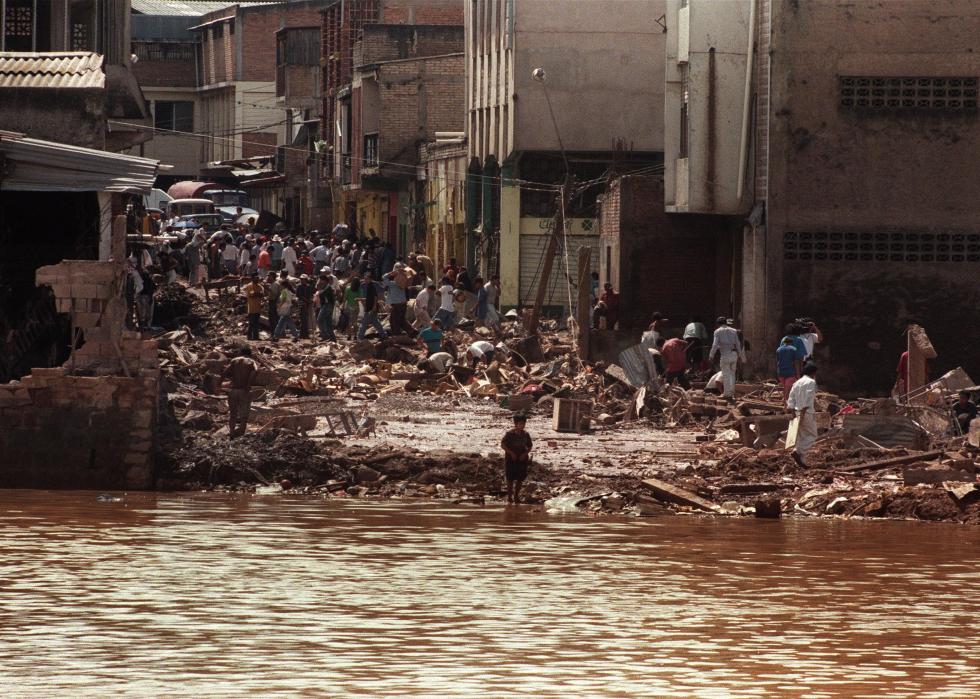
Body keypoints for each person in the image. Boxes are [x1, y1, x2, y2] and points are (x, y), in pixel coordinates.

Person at [787, 362, 818, 467]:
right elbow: (808, 397)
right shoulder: (811, 382)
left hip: (796, 412)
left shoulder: (797, 383)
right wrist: (804, 410)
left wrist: (792, 411)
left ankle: (802, 461)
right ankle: (798, 451)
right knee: (813, 435)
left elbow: (791, 398)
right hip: (807, 412)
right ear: (813, 373)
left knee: (801, 436)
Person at [708, 316, 745, 401]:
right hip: (734, 354)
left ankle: (727, 394)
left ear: (718, 324)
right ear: (725, 322)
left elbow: (715, 345)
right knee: (732, 374)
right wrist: (740, 356)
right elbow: (738, 344)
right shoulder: (734, 330)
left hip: (725, 355)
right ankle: (732, 393)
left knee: (726, 375)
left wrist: (711, 356)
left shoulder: (717, 331)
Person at [223, 347, 258, 438]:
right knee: (244, 415)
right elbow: (255, 371)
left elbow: (225, 372)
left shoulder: (234, 360)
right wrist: (249, 384)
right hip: (244, 391)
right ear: (249, 354)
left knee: (233, 414)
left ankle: (231, 432)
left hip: (233, 390)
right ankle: (241, 433)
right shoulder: (252, 362)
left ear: (241, 353)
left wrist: (219, 384)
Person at [501, 413, 533, 504]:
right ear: (516, 424)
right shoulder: (509, 434)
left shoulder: (526, 434)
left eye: (523, 424)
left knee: (520, 479)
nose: (522, 426)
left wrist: (524, 454)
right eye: (520, 424)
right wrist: (511, 453)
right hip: (511, 459)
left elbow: (530, 446)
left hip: (522, 460)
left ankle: (516, 496)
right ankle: (509, 497)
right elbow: (503, 445)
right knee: (510, 479)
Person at [384, 263, 413, 336]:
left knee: (394, 321)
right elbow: (409, 276)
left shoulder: (393, 284)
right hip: (403, 304)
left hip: (397, 305)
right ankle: (411, 331)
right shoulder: (403, 282)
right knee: (401, 320)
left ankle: (397, 335)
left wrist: (391, 273)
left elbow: (384, 277)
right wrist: (403, 271)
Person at [357, 273, 388, 340]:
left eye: (366, 279)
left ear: (370, 279)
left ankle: (359, 337)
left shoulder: (372, 286)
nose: (365, 280)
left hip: (371, 307)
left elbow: (375, 297)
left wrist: (374, 306)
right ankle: (383, 334)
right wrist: (361, 300)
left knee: (364, 323)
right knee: (375, 322)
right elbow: (368, 297)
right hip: (369, 306)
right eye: (364, 278)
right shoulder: (366, 285)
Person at [776, 336, 799, 402]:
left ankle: (785, 402)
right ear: (791, 343)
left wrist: (778, 371)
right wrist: (798, 374)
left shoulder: (778, 349)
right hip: (790, 372)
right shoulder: (794, 349)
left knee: (785, 388)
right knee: (788, 389)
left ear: (784, 342)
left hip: (781, 372)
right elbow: (796, 363)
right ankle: (785, 405)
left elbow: (778, 361)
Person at [315, 273, 337, 341]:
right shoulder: (325, 287)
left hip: (327, 306)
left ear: (324, 280)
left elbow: (321, 293)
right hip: (327, 306)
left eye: (321, 280)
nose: (319, 281)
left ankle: (325, 336)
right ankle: (332, 338)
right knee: (328, 323)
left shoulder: (327, 287)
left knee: (319, 320)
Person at [244, 273, 264, 341]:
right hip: (252, 308)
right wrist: (258, 294)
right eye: (256, 278)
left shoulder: (260, 286)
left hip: (258, 307)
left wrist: (257, 294)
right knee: (251, 323)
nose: (257, 279)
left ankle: (256, 337)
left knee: (256, 324)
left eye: (258, 278)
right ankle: (249, 336)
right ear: (252, 278)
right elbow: (252, 294)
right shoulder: (249, 286)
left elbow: (262, 294)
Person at [343, 276, 363, 340]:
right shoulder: (359, 290)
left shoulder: (348, 288)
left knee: (349, 321)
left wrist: (343, 305)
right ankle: (355, 336)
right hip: (356, 307)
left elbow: (345, 298)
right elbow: (360, 299)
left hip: (349, 307)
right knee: (355, 322)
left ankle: (349, 335)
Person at [296, 274, 314, 339]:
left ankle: (305, 334)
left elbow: (310, 295)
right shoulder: (299, 286)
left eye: (303, 279)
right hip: (301, 304)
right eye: (301, 279)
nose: (302, 280)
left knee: (306, 319)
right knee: (303, 319)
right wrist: (307, 301)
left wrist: (310, 300)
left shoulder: (308, 286)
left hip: (307, 305)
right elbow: (299, 295)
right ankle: (302, 334)